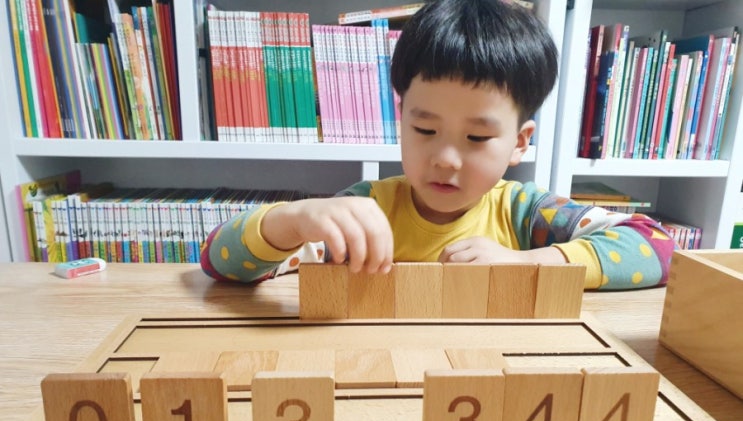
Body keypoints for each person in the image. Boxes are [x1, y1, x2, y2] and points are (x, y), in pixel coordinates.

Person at [200, 0, 675, 290]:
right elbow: (219, 262)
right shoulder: (367, 210)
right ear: (401, 120)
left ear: (519, 143)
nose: (445, 159)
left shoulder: (527, 213)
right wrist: (292, 220)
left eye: (477, 138)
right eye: (425, 130)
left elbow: (656, 246)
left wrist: (529, 262)